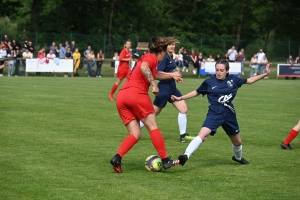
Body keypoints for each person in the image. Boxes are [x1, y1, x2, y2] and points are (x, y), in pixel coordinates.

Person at [171, 59, 271, 166]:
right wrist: (180, 98)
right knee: (203, 135)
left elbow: (250, 81)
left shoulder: (234, 80)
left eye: (221, 70)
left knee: (237, 142)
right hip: (215, 112)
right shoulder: (209, 82)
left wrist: (265, 73)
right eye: (217, 70)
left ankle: (238, 157)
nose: (218, 72)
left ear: (227, 71)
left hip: (229, 113)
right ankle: (186, 155)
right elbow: (196, 92)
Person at [110, 36, 183, 173]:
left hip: (122, 96)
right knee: (152, 127)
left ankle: (117, 158)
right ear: (160, 51)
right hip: (137, 95)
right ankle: (165, 160)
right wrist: (154, 85)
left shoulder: (148, 59)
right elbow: (145, 68)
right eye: (165, 52)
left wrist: (171, 75)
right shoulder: (151, 58)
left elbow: (155, 73)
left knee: (135, 133)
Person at [139, 41, 194, 142]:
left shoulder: (170, 57)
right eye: (170, 45)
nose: (172, 46)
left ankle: (183, 135)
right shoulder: (164, 58)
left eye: (173, 45)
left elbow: (170, 72)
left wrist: (175, 75)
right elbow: (157, 72)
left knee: (183, 109)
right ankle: (136, 128)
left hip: (172, 87)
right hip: (164, 88)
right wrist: (172, 75)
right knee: (152, 113)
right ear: (165, 47)